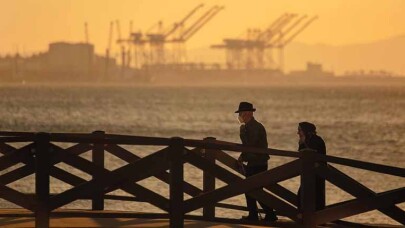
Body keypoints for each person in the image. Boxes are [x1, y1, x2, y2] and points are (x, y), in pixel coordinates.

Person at [235, 101, 278, 222]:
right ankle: (254, 214)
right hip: (253, 162)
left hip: (259, 163)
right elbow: (247, 147)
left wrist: (242, 133)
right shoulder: (248, 127)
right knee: (250, 190)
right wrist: (242, 156)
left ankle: (269, 214)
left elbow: (250, 145)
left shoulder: (254, 127)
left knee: (255, 190)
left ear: (248, 113)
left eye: (242, 113)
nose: (240, 116)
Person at [297, 122, 326, 211]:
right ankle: (305, 214)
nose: (298, 132)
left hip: (318, 172)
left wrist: (303, 144)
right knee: (302, 195)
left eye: (299, 130)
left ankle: (318, 217)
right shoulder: (304, 140)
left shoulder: (317, 140)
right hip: (308, 173)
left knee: (317, 195)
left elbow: (312, 153)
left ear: (306, 131)